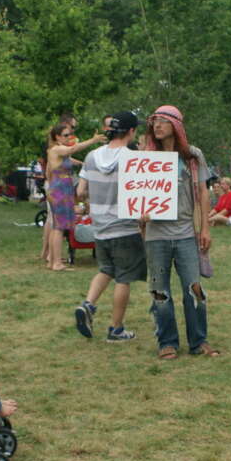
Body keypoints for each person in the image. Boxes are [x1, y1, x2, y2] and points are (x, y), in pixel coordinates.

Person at [141, 105, 218, 359]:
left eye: (163, 121)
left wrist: (205, 227)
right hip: (156, 235)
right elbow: (136, 194)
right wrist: (139, 212)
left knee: (194, 288)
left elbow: (203, 192)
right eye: (154, 122)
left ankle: (199, 341)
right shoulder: (145, 157)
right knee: (159, 291)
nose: (157, 126)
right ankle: (167, 342)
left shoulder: (192, 156)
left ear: (176, 125)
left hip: (186, 232)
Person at [74, 111, 145, 341]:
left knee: (105, 269)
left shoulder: (92, 156)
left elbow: (80, 191)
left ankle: (88, 304)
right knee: (123, 278)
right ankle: (116, 329)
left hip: (100, 226)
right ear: (132, 131)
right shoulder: (133, 158)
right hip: (125, 227)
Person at [44, 122, 104, 271]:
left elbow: (69, 159)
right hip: (60, 190)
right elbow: (73, 148)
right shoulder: (57, 149)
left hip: (59, 189)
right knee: (59, 227)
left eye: (69, 135)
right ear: (57, 137)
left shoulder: (58, 151)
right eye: (65, 135)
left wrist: (83, 163)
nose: (68, 138)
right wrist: (93, 140)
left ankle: (52, 260)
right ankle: (56, 262)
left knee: (56, 227)